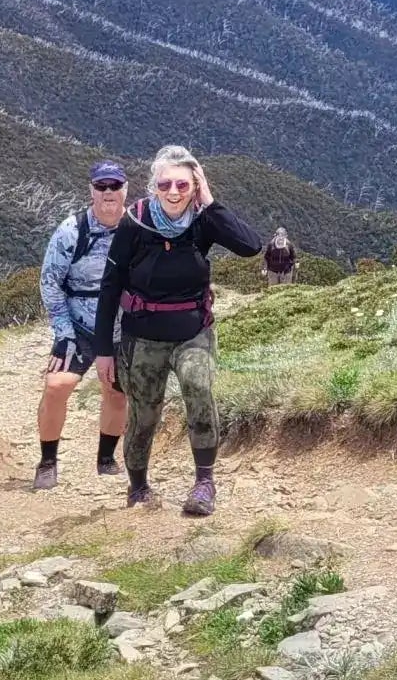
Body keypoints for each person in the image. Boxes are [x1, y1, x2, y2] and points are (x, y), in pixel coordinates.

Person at [91, 145, 262, 516]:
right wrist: (104, 349)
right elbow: (110, 286)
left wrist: (210, 200)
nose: (173, 192)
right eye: (165, 184)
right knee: (144, 414)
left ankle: (204, 483)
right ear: (154, 186)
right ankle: (138, 488)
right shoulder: (134, 223)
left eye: (183, 185)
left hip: (193, 331)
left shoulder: (203, 220)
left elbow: (250, 247)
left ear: (195, 185)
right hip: (142, 336)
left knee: (198, 386)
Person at [34, 161, 133, 490]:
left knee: (116, 393)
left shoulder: (137, 227)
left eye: (114, 186)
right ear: (91, 190)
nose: (108, 192)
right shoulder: (72, 231)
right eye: (101, 186)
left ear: (125, 190)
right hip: (79, 326)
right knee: (56, 386)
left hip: (121, 327)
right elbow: (50, 282)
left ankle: (106, 459)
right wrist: (63, 333)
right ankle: (48, 461)